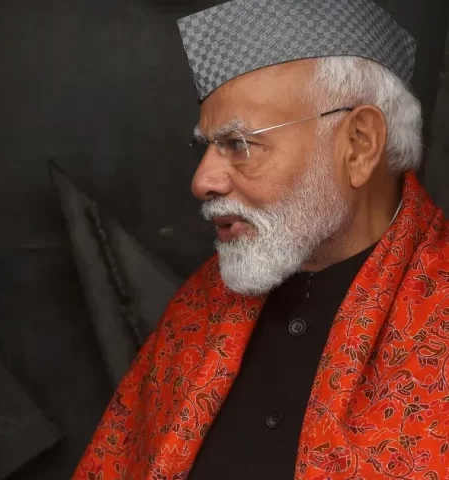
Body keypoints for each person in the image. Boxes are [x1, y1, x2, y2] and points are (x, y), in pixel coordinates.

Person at [74, 0, 448, 478]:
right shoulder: (200, 308)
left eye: (239, 144)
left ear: (359, 145)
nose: (202, 181)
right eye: (207, 146)